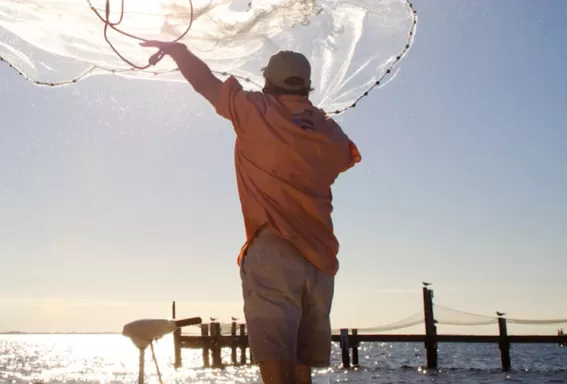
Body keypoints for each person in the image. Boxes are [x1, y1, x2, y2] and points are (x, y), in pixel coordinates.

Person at [141, 41, 361, 383]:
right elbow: (344, 159)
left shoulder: (255, 110)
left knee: (274, 363)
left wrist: (178, 50)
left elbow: (204, 82)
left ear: (268, 81)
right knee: (302, 369)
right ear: (307, 84)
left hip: (273, 249)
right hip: (321, 262)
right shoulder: (330, 132)